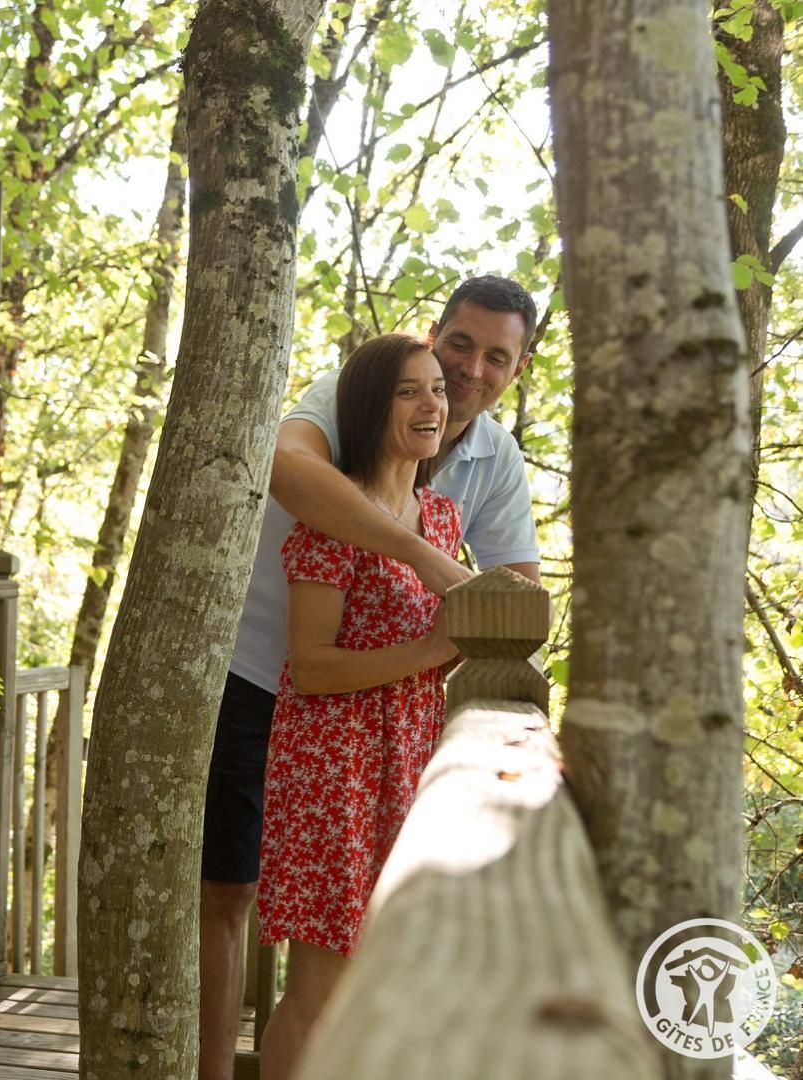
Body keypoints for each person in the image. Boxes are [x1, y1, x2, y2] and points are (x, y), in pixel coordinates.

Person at [197, 276, 543, 1080]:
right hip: (262, 680)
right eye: (459, 344)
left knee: (370, 956)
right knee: (231, 894)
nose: (468, 370)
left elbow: (518, 598)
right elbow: (288, 472)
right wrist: (432, 571)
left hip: (396, 741)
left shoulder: (488, 465)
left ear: (516, 370)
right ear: (435, 332)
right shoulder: (353, 393)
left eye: (497, 356)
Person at [253, 333, 461, 1079]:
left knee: (382, 975)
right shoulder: (335, 518)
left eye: (437, 387)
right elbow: (309, 669)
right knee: (321, 985)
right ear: (372, 407)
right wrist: (434, 651)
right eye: (409, 390)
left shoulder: (440, 520)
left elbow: (449, 640)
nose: (431, 403)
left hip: (409, 762)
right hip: (331, 765)